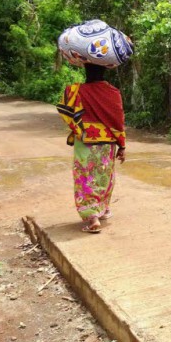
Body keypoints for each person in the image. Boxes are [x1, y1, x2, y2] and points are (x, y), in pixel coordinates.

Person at [57, 62, 126, 233]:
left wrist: (77, 128)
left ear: (85, 71)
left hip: (85, 141)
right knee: (104, 176)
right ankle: (103, 209)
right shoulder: (113, 93)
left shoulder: (75, 90)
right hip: (107, 143)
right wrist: (122, 145)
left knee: (85, 178)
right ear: (104, 70)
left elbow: (65, 112)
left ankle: (93, 217)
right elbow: (118, 121)